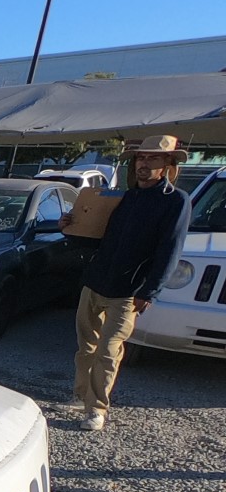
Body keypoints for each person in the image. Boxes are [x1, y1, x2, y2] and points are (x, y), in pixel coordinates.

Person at [68, 134, 191, 431]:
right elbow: (96, 238)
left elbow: (169, 250)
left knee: (108, 351)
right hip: (95, 282)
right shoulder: (125, 197)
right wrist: (70, 228)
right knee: (86, 348)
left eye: (153, 159)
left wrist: (150, 290)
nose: (144, 164)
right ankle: (81, 394)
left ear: (168, 164)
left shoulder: (175, 201)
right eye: (140, 158)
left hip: (128, 291)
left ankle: (96, 409)